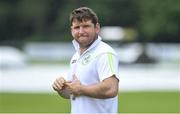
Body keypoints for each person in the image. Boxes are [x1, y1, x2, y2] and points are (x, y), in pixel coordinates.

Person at [52, 6, 120, 113]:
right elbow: (72, 92)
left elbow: (111, 88)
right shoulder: (76, 56)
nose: (81, 31)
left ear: (96, 28)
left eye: (86, 26)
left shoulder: (105, 53)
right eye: (77, 27)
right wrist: (61, 88)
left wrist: (81, 89)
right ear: (71, 30)